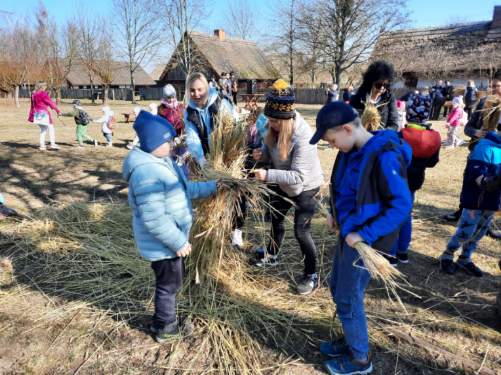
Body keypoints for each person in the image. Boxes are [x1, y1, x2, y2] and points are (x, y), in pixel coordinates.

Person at [310, 101, 412, 375]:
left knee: (348, 296)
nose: (333, 146)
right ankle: (352, 336)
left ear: (346, 129)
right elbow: (341, 185)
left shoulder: (385, 156)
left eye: (332, 140)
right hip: (349, 234)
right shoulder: (349, 149)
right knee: (336, 287)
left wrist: (363, 234)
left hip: (367, 241)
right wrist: (334, 213)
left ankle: (359, 359)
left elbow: (401, 206)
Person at [122, 111, 219, 342]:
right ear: (152, 143)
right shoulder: (146, 172)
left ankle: (164, 318)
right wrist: (178, 241)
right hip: (163, 245)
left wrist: (214, 187)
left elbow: (185, 192)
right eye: (167, 141)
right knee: (168, 285)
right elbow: (154, 218)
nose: (172, 144)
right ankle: (166, 327)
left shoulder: (163, 162)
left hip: (170, 242)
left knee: (172, 282)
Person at [251, 79, 324, 296]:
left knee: (301, 230)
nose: (270, 123)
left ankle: (311, 274)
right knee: (275, 217)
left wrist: (267, 175)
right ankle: (272, 255)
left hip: (306, 186)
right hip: (282, 180)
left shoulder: (304, 136)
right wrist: (261, 155)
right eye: (269, 119)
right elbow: (271, 152)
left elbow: (297, 176)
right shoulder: (272, 127)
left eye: (274, 120)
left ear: (286, 119)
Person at [439, 123, 500, 277]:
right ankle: (447, 256)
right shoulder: (484, 148)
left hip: (493, 201)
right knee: (466, 230)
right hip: (476, 199)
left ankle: (465, 258)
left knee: (480, 231)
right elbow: (479, 179)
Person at [443, 72, 501, 225]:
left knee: (493, 186)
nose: (494, 89)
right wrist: (477, 132)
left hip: (497, 155)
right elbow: (468, 127)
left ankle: (489, 219)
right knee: (469, 182)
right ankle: (462, 211)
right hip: (478, 151)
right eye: (492, 86)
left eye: (498, 86)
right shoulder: (483, 103)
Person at [392, 114, 441, 265]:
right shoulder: (433, 138)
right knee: (406, 215)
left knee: (393, 216)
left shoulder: (399, 136)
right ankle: (402, 252)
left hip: (396, 180)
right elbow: (432, 163)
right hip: (414, 182)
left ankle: (391, 253)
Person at [350, 60, 399, 130]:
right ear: (370, 83)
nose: (382, 88)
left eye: (385, 85)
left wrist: (381, 134)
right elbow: (350, 122)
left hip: (380, 138)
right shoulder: (357, 98)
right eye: (378, 85)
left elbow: (394, 124)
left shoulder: (390, 98)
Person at [28, 81, 62, 150]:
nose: (46, 87)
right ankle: (52, 144)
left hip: (36, 114)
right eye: (45, 86)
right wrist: (57, 110)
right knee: (51, 128)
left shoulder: (33, 94)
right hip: (44, 114)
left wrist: (31, 115)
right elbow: (50, 103)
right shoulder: (43, 94)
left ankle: (42, 146)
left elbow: (32, 106)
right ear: (42, 86)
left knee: (43, 130)